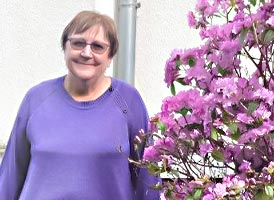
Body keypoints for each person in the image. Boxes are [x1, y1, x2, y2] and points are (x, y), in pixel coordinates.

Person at [0, 10, 160, 200]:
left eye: (98, 47)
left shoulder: (128, 101)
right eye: (78, 43)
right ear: (65, 47)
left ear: (110, 56)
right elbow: (11, 175)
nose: (86, 53)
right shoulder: (36, 99)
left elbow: (146, 177)